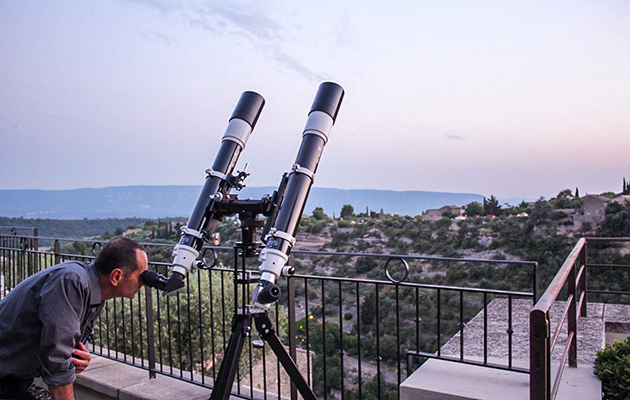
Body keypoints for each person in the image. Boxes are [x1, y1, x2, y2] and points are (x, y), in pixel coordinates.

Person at [0, 237, 148, 400]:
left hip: (12, 379)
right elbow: (57, 360)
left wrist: (79, 353)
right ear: (116, 276)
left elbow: (67, 340)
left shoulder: (93, 290)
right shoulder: (71, 282)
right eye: (141, 276)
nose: (143, 283)